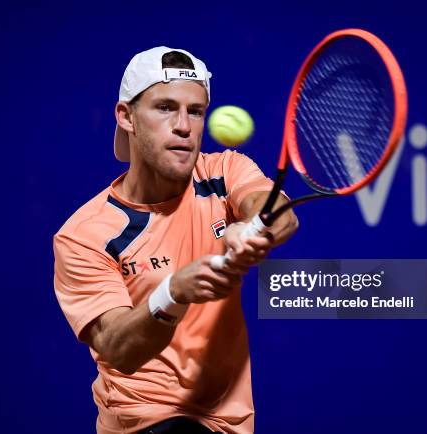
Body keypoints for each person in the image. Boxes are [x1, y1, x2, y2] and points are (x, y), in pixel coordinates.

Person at [53, 46, 298, 434]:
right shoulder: (85, 234)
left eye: (196, 111)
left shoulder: (224, 171)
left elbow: (273, 210)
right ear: (126, 116)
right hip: (144, 421)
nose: (184, 125)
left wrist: (254, 230)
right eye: (165, 108)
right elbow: (118, 348)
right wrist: (173, 293)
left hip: (228, 421)